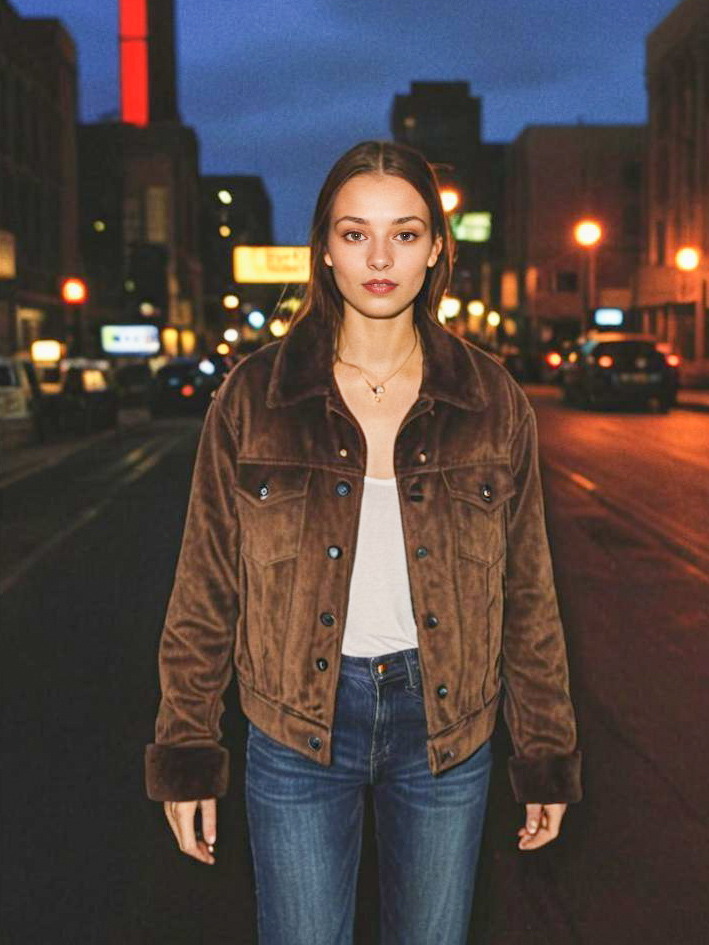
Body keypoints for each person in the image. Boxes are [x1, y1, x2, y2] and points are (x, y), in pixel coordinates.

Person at [145, 139, 582, 944]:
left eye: (404, 233)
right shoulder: (256, 396)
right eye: (355, 233)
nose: (379, 256)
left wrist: (545, 749)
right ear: (324, 247)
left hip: (446, 728)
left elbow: (526, 593)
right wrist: (187, 742)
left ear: (435, 250)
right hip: (296, 723)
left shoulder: (491, 400)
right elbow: (206, 585)